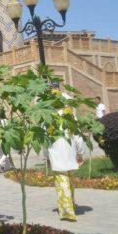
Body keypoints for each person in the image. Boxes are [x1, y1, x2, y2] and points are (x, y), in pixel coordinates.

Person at [47, 92, 85, 221]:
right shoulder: (70, 116)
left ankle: (67, 211)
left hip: (55, 154)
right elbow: (78, 137)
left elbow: (43, 139)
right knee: (70, 182)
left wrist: (46, 156)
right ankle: (71, 206)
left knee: (61, 182)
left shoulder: (48, 116)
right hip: (70, 153)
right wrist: (80, 153)